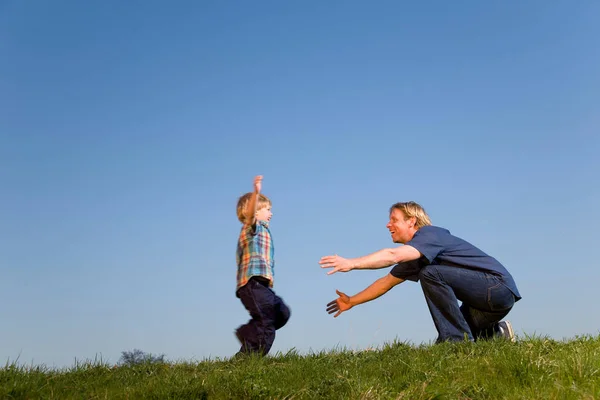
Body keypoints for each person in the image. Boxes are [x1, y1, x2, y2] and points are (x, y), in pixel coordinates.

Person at [320, 201, 521, 343]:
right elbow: (386, 282)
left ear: (411, 221)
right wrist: (351, 301)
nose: (388, 225)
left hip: (496, 288)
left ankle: (458, 342)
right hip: (486, 304)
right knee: (443, 344)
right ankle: (495, 333)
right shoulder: (417, 255)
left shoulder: (429, 235)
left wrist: (351, 263)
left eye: (394, 219)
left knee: (431, 275)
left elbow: (392, 255)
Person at [234, 175, 290, 356]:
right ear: (255, 212)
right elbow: (249, 215)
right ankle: (253, 359)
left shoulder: (264, 230)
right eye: (267, 209)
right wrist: (256, 192)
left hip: (261, 286)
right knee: (267, 324)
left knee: (282, 313)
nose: (271, 213)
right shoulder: (252, 227)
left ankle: (248, 334)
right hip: (252, 284)